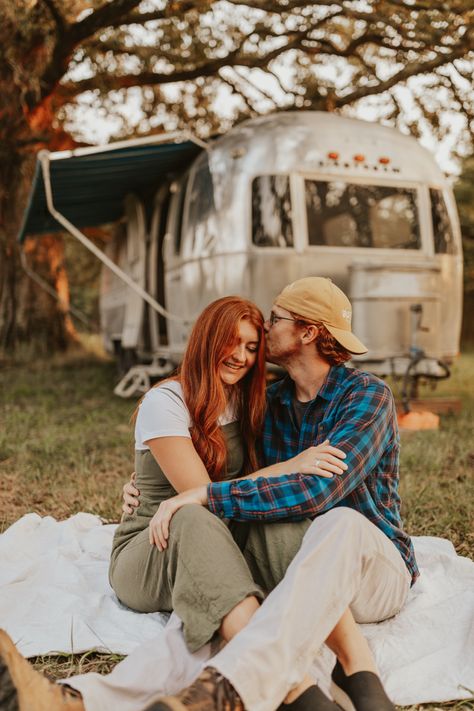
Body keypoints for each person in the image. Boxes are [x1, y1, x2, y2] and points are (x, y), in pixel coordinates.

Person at [0, 278, 418, 711]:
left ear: (308, 332)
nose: (255, 340)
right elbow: (248, 480)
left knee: (335, 523)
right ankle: (78, 699)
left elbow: (316, 491)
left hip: (368, 565)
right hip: (295, 558)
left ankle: (329, 679)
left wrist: (200, 496)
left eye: (273, 321)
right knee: (213, 611)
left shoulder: (367, 398)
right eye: (236, 341)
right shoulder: (267, 402)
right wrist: (148, 487)